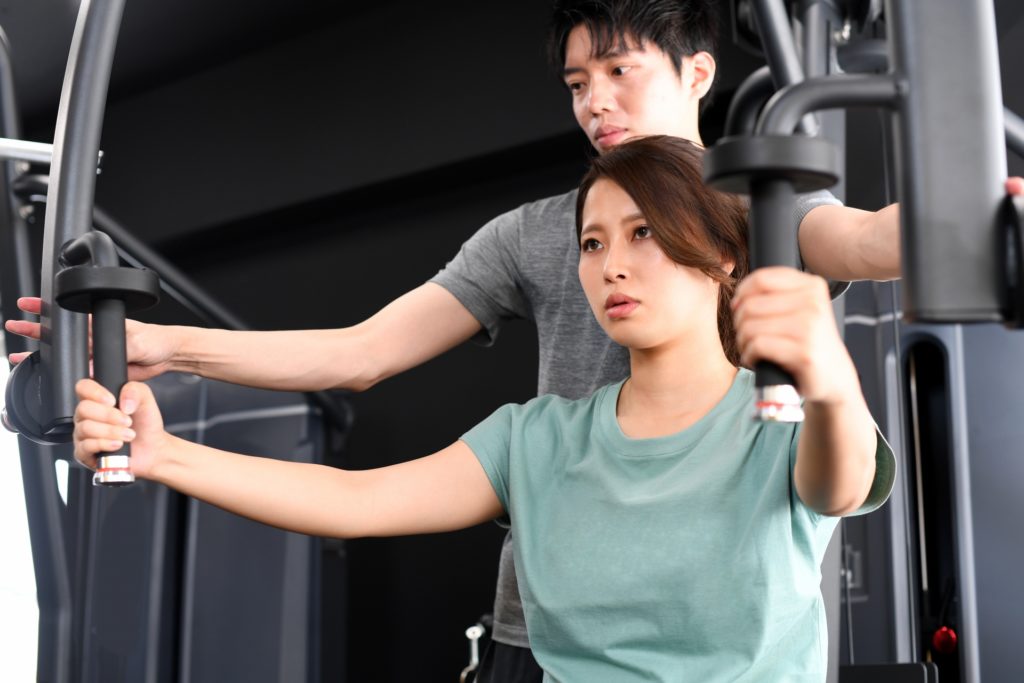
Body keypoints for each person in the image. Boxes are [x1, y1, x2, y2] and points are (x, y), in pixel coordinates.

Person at [7, 0, 1010, 678]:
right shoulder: (535, 288)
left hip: (723, 597)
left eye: (618, 70)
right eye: (577, 81)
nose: (594, 100)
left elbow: (883, 244)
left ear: (698, 73)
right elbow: (361, 356)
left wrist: (985, 214)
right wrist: (167, 355)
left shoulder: (760, 214)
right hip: (554, 611)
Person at [71, 136, 896, 681]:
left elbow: (839, 481)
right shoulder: (536, 440)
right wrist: (160, 452)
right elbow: (355, 501)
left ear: (721, 253)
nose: (611, 264)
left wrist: (828, 374)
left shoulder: (783, 410)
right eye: (593, 242)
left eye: (643, 233)